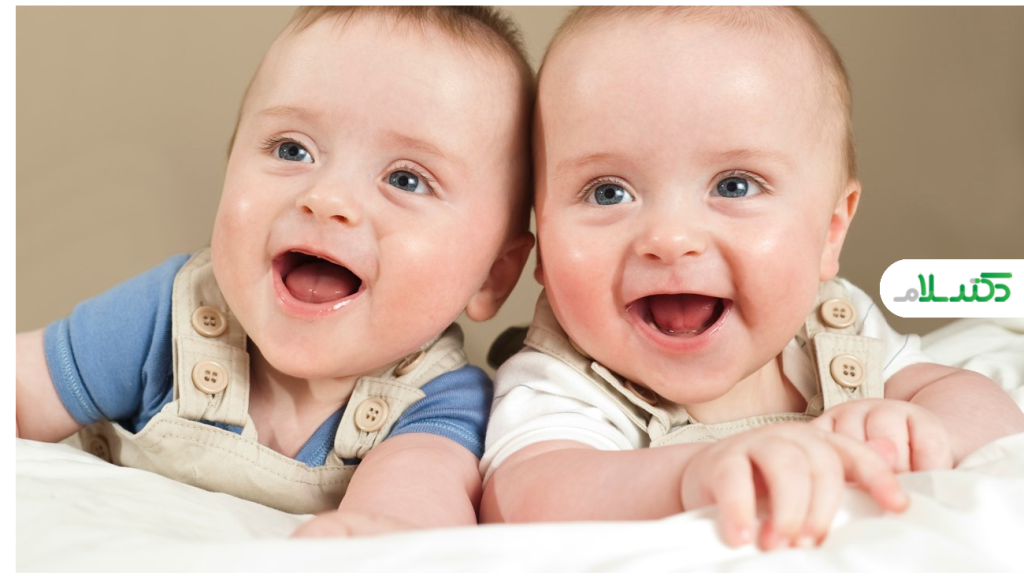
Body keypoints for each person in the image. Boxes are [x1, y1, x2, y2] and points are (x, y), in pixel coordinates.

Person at [480, 5, 1024, 550]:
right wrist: (691, 475)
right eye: (607, 192)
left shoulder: (834, 329)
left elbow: (970, 398)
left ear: (829, 233)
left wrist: (923, 431)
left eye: (734, 186)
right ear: (542, 243)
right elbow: (527, 493)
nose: (670, 237)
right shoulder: (562, 378)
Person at [14, 5, 536, 538]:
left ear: (492, 276)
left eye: (406, 180)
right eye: (293, 149)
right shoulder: (170, 316)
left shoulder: (441, 401)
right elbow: (27, 385)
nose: (327, 198)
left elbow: (413, 507)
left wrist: (366, 541)